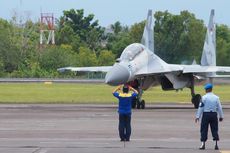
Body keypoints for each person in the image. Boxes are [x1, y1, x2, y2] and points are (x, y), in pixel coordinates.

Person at [195, 83, 224, 150]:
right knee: (214, 129)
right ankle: (216, 144)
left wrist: (197, 116)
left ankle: (203, 144)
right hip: (214, 114)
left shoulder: (204, 97)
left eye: (206, 89)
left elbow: (201, 107)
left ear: (208, 89)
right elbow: (219, 107)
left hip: (206, 115)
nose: (205, 90)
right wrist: (221, 116)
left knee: (204, 129)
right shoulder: (216, 98)